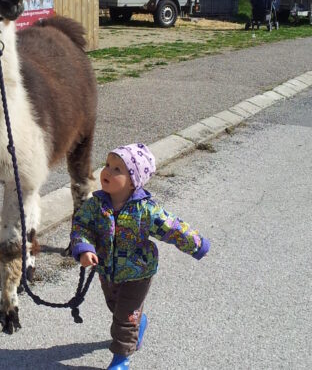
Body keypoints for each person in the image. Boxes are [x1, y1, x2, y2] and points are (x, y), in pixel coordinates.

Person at [71, 143, 210, 369]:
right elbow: (81, 226)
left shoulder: (145, 210)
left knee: (124, 320)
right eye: (107, 165)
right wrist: (84, 248)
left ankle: (121, 359)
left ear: (134, 180)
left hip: (138, 274)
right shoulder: (95, 205)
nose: (107, 171)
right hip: (107, 271)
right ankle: (139, 321)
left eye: (118, 169)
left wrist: (197, 244)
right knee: (117, 309)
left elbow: (172, 227)